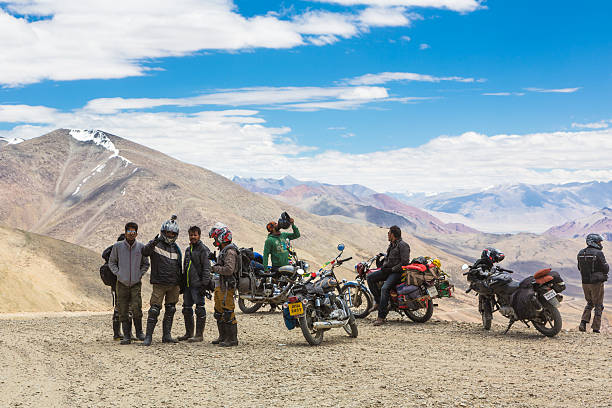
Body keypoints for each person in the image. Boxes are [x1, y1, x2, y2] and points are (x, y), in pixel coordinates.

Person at [141, 215, 183, 346]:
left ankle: (167, 335)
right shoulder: (156, 244)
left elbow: (178, 266)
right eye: (168, 232)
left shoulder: (176, 248)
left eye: (173, 233)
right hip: (159, 283)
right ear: (163, 232)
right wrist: (152, 242)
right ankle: (148, 337)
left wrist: (180, 284)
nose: (170, 235)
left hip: (174, 284)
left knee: (171, 309)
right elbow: (145, 252)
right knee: (154, 310)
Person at [108, 223, 150, 345]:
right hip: (121, 283)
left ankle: (139, 332)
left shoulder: (141, 247)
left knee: (137, 307)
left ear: (136, 233)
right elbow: (112, 262)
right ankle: (126, 335)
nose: (131, 234)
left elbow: (146, 264)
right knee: (123, 309)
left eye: (133, 232)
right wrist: (119, 274)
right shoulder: (117, 247)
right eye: (129, 232)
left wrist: (139, 274)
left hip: (136, 283)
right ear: (125, 232)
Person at [367, 225, 411, 326]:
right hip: (388, 271)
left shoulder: (403, 245)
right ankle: (378, 302)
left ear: (393, 235)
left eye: (389, 233)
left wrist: (392, 269)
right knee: (370, 277)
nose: (387, 235)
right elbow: (390, 258)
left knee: (384, 288)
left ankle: (381, 317)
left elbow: (404, 262)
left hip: (397, 272)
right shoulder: (392, 244)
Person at [178, 226, 212, 342]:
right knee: (186, 309)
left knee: (200, 308)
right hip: (188, 285)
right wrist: (183, 283)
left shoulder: (203, 249)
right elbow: (185, 267)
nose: (193, 237)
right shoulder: (188, 250)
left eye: (195, 235)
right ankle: (189, 333)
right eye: (191, 235)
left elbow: (207, 268)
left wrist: (204, 285)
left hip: (198, 285)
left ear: (199, 236)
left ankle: (199, 335)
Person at [209, 224, 240, 347]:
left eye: (216, 238)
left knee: (228, 311)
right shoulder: (224, 251)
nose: (215, 241)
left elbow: (229, 269)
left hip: (227, 286)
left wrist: (214, 268)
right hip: (220, 285)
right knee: (219, 311)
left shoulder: (230, 251)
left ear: (222, 237)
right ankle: (223, 336)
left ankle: (232, 339)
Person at [577, 233, 609, 333]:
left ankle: (583, 323)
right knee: (598, 305)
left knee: (589, 303)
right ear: (593, 242)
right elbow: (606, 268)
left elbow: (579, 267)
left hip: (584, 282)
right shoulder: (599, 253)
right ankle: (596, 328)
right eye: (599, 242)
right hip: (596, 283)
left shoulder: (581, 252)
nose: (600, 244)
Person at [102, 233, 126, 340]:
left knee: (118, 307)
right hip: (122, 283)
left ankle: (117, 334)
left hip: (116, 284)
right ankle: (123, 334)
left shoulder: (112, 253)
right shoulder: (120, 253)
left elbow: (104, 254)